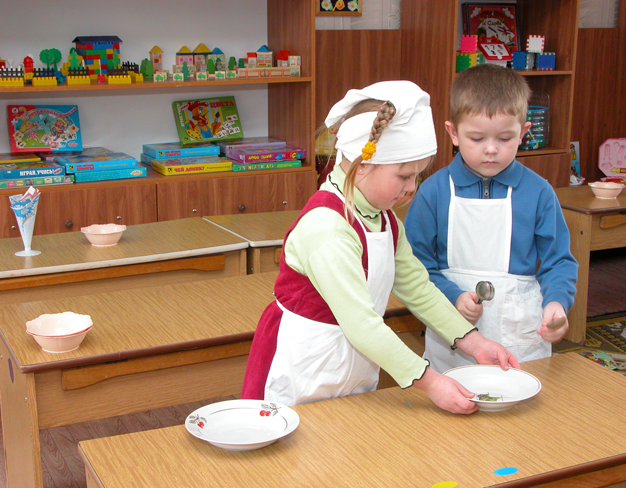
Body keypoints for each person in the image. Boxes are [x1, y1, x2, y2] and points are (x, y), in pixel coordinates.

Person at [241, 80, 519, 415]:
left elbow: (418, 289)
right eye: (403, 177)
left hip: (352, 363)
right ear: (362, 164)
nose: (411, 188)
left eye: (417, 176)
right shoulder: (328, 228)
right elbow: (361, 324)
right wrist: (430, 381)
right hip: (301, 365)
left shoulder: (384, 220)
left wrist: (474, 342)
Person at [404, 64, 578, 373]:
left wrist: (556, 304)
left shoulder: (539, 193)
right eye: (476, 138)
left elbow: (559, 262)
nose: (491, 150)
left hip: (521, 340)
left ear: (523, 133)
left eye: (505, 138)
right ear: (453, 133)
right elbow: (414, 266)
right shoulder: (433, 193)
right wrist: (453, 297)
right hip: (452, 337)